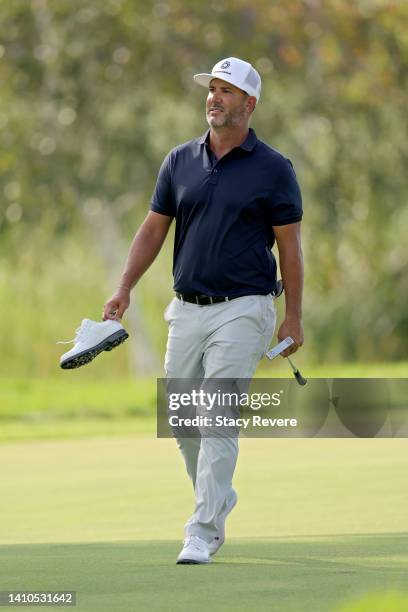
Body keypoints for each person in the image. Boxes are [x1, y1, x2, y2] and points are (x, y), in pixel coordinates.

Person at [103, 57, 304, 564]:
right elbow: (153, 229)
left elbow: (290, 247)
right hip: (186, 309)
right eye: (211, 89)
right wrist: (124, 286)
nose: (215, 98)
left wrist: (294, 316)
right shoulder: (179, 161)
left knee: (216, 413)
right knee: (181, 418)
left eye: (227, 91)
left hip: (246, 308)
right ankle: (218, 496)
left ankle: (204, 528)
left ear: (250, 103)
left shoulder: (274, 169)